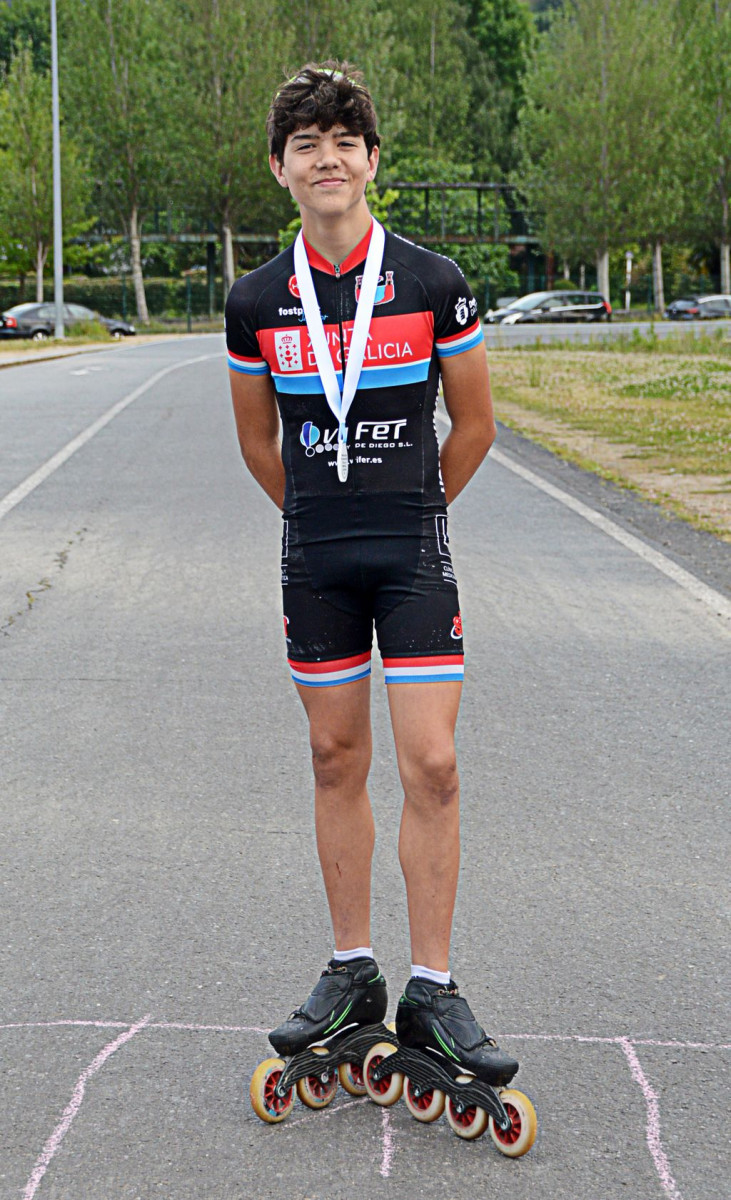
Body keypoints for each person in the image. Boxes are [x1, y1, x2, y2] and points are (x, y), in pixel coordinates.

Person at [226, 63, 518, 1091]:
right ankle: (352, 970)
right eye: (305, 144)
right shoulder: (255, 301)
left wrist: (412, 512)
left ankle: (430, 988)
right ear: (279, 168)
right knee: (331, 757)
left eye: (343, 141)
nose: (327, 159)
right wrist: (316, 517)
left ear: (371, 160)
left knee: (431, 764)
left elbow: (474, 423)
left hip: (412, 555)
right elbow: (257, 443)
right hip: (316, 559)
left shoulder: (433, 282)